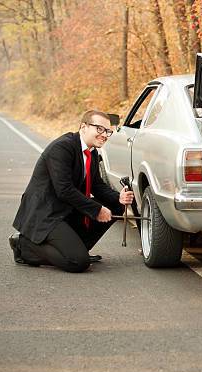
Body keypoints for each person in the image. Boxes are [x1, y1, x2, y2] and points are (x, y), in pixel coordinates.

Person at [9, 110, 134, 273]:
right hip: (46, 213)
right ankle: (25, 246)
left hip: (66, 211)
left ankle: (76, 248)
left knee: (115, 205)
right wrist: (96, 209)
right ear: (84, 127)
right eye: (100, 129)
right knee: (78, 263)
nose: (104, 135)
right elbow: (64, 190)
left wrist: (120, 197)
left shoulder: (92, 152)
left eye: (108, 131)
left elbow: (97, 185)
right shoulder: (62, 147)